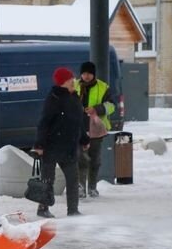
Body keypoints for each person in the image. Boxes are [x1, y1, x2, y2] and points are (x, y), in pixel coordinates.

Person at [32, 67, 89, 218]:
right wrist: (39, 145)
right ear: (64, 82)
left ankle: (73, 210)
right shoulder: (54, 98)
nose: (74, 81)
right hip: (52, 146)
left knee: (73, 179)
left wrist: (84, 139)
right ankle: (43, 208)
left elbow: (79, 122)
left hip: (70, 146)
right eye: (71, 79)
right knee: (48, 179)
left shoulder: (75, 97)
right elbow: (44, 122)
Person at [75, 61, 116, 198]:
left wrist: (97, 109)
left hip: (96, 128)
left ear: (94, 74)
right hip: (78, 127)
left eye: (89, 73)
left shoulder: (103, 87)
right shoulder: (75, 86)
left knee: (94, 159)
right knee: (81, 158)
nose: (86, 76)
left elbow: (111, 105)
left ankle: (92, 186)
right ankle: (80, 186)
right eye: (84, 73)